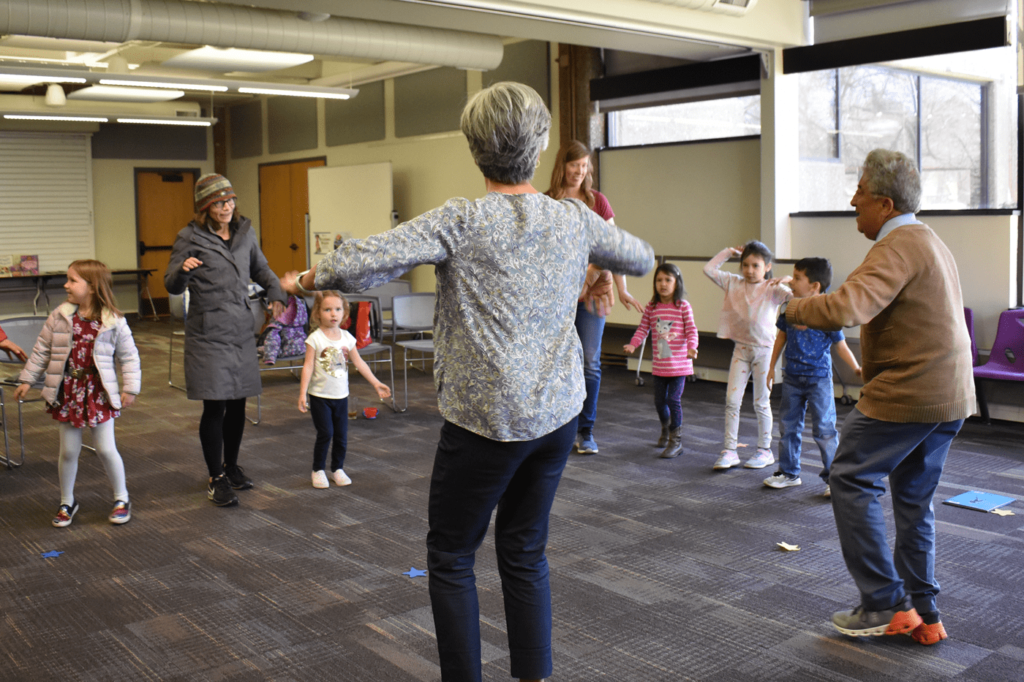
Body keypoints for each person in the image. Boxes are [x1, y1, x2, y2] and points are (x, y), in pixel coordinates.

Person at [281, 82, 653, 682]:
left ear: (475, 150)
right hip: (557, 417)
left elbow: (359, 261)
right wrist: (583, 242)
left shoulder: (461, 220)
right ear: (540, 147)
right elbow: (639, 256)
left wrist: (304, 280)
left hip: (486, 423)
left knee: (452, 556)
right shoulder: (574, 218)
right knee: (525, 553)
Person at [786, 149, 974, 645]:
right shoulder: (927, 239)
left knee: (849, 474)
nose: (853, 200)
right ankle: (926, 613)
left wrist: (794, 306)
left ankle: (885, 603)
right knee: (913, 501)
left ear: (885, 204)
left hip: (912, 393)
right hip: (948, 396)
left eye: (861, 192)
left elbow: (848, 306)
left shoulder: (896, 246)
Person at [165, 173, 287, 508]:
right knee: (215, 404)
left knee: (238, 402)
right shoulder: (188, 237)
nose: (227, 207)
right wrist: (183, 271)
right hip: (208, 333)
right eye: (219, 203)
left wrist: (277, 290)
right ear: (205, 208)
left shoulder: (245, 234)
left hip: (240, 331)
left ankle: (231, 466)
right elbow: (171, 285)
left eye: (230, 200)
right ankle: (215, 477)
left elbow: (261, 269)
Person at [14, 260, 141, 527]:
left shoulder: (113, 321)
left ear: (92, 287)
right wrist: (27, 378)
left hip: (99, 393)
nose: (66, 285)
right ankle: (67, 501)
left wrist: (130, 388)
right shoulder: (60, 316)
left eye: (72, 280)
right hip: (68, 392)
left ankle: (121, 498)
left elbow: (129, 357)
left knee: (106, 449)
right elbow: (42, 351)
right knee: (69, 451)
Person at [546, 140, 644, 454]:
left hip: (593, 295)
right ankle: (559, 429)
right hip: (559, 296)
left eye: (585, 165)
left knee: (590, 362)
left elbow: (612, 246)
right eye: (574, 164)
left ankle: (585, 432)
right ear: (563, 165)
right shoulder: (547, 201)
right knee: (558, 364)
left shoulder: (597, 202)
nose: (579, 171)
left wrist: (623, 287)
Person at [764, 257, 861, 496]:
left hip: (819, 379)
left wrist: (857, 369)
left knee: (825, 430)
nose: (792, 282)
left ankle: (833, 479)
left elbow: (841, 346)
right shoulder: (789, 307)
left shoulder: (827, 313)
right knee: (788, 426)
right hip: (792, 379)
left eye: (798, 278)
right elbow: (780, 339)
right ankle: (788, 473)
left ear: (815, 285)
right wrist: (770, 368)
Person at [704, 241, 792, 471]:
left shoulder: (772, 288)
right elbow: (709, 270)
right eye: (745, 265)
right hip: (741, 350)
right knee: (732, 401)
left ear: (767, 266)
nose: (750, 270)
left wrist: (788, 279)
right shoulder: (733, 282)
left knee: (761, 402)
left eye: (756, 265)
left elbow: (795, 297)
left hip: (765, 351)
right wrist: (729, 252)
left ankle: (765, 450)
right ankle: (730, 450)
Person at [298, 290, 391, 489]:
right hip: (319, 396)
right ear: (317, 313)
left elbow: (360, 363)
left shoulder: (347, 338)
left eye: (338, 309)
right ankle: (318, 470)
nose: (333, 314)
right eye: (327, 309)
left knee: (341, 435)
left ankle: (337, 468)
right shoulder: (315, 339)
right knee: (326, 433)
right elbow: (308, 366)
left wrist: (376, 383)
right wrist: (303, 392)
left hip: (341, 397)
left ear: (344, 313)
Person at [623, 263, 698, 458]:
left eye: (668, 280)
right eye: (659, 280)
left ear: (676, 283)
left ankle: (676, 440)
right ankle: (666, 428)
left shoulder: (683, 306)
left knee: (673, 399)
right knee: (659, 402)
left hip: (679, 365)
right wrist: (633, 344)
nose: (663, 284)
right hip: (660, 365)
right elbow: (643, 329)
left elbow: (691, 330)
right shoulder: (652, 306)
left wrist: (692, 347)